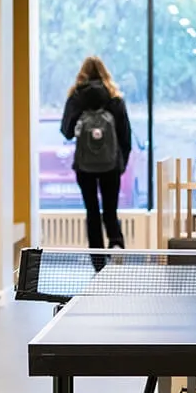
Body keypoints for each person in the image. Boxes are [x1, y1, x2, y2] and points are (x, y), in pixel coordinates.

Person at [60, 56, 132, 270]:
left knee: (92, 212)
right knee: (110, 210)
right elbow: (125, 136)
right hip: (111, 165)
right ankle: (116, 244)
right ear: (104, 72)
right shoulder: (114, 98)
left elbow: (66, 131)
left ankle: (98, 263)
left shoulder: (76, 98)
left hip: (84, 166)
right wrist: (121, 163)